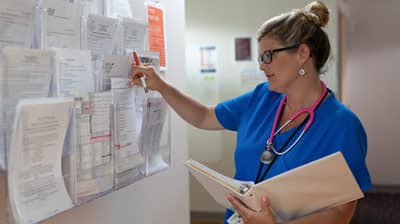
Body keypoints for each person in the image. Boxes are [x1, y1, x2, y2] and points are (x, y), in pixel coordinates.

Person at [131, 1, 372, 223]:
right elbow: (204, 116)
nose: (261, 65)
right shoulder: (261, 98)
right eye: (260, 57)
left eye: (268, 56)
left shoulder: (343, 126)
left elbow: (341, 213)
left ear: (302, 54)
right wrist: (161, 86)